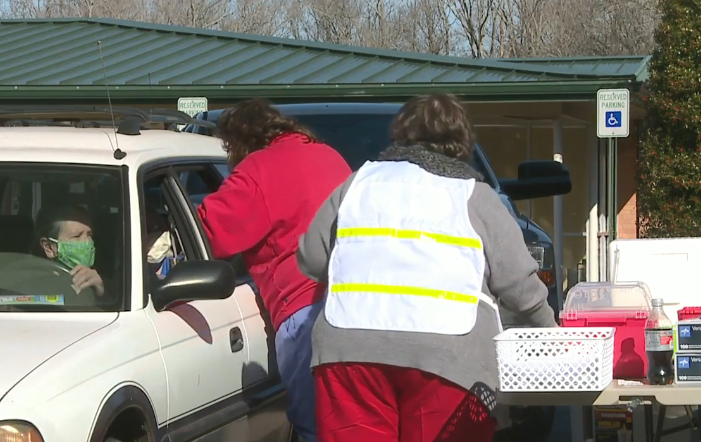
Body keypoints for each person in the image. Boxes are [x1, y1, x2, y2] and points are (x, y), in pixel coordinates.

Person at [296, 94, 558, 442]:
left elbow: (311, 258)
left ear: (400, 134)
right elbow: (520, 287)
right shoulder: (473, 195)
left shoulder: (358, 184)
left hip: (349, 348)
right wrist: (553, 337)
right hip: (448, 356)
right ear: (461, 144)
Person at [196, 98, 352, 442]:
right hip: (358, 308)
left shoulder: (258, 170)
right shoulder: (330, 156)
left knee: (316, 428)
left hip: (304, 315)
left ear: (240, 141)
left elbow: (209, 234)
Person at [35, 204, 105, 296]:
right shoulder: (34, 288)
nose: (87, 242)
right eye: (77, 236)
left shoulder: (97, 281)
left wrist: (101, 292)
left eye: (89, 234)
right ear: (49, 247)